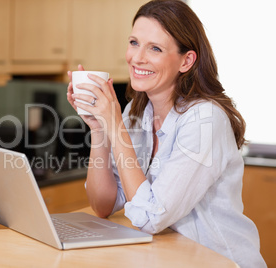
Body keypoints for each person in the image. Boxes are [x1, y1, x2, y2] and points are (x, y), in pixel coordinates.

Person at [66, 0, 266, 267]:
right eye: (134, 42)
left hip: (222, 262)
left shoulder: (205, 120)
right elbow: (104, 205)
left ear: (187, 60)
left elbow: (150, 219)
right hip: (170, 258)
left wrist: (115, 125)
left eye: (155, 48)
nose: (137, 58)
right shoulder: (136, 115)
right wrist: (101, 129)